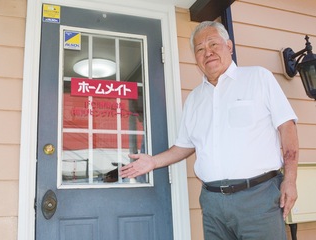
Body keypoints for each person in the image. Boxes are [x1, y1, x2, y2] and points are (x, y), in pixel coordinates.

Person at [120, 21, 299, 240]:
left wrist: (290, 180)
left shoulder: (258, 78)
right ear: (196, 58)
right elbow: (184, 146)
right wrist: (153, 162)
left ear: (229, 46)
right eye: (200, 49)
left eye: (213, 44)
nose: (208, 52)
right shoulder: (194, 99)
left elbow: (287, 127)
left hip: (259, 198)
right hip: (212, 203)